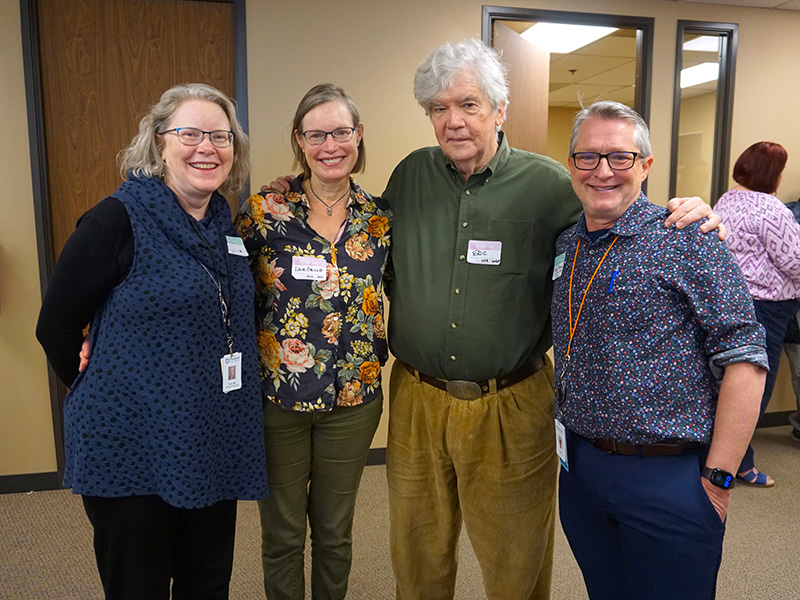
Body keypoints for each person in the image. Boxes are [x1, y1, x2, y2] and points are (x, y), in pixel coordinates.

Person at [266, 40, 720, 600]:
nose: (453, 120)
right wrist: (292, 188)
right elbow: (354, 229)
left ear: (499, 109)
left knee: (515, 565)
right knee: (416, 558)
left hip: (512, 405)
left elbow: (613, 207)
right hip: (417, 401)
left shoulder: (549, 185)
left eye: (468, 104)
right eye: (438, 108)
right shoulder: (411, 176)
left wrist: (684, 209)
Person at [35, 83, 268, 600]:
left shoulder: (223, 221)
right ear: (159, 142)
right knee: (138, 586)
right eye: (190, 134)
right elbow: (55, 325)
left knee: (207, 582)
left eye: (221, 136)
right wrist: (101, 388)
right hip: (131, 446)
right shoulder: (116, 219)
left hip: (210, 436)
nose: (207, 148)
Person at [551, 100, 767, 600]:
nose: (603, 171)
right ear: (571, 164)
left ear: (645, 165)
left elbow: (745, 359)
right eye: (588, 156)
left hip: (667, 476)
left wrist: (718, 481)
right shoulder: (566, 244)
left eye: (620, 157)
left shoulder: (689, 237)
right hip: (580, 471)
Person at [235, 83, 391, 600]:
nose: (330, 145)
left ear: (358, 135)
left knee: (334, 531)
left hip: (354, 401)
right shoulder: (264, 212)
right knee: (282, 534)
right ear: (300, 141)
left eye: (341, 132)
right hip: (278, 399)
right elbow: (223, 285)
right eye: (316, 135)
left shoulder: (380, 218)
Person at [714, 142, 800, 486]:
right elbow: (796, 262)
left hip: (733, 302)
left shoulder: (727, 199)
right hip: (767, 309)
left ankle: (736, 459)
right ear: (772, 174)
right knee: (754, 392)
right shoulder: (770, 208)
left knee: (732, 385)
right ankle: (733, 464)